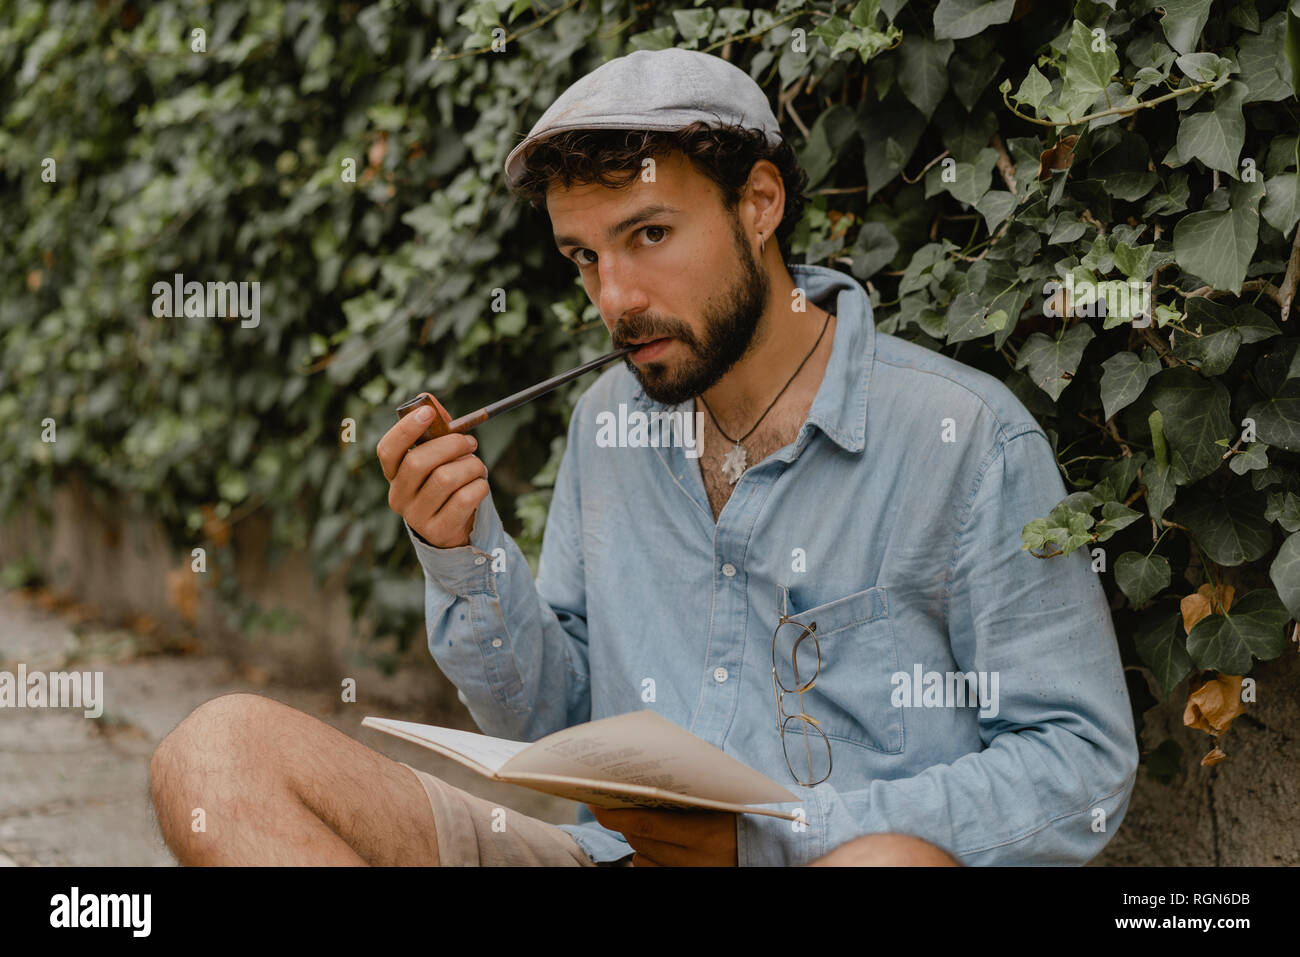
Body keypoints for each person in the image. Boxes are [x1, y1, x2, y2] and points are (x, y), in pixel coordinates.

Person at [150, 48, 1138, 867]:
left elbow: (1078, 764)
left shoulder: (962, 436)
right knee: (219, 754)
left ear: (758, 204)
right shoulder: (608, 423)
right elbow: (559, 719)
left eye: (649, 235)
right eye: (583, 257)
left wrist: (769, 839)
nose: (613, 297)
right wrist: (459, 552)